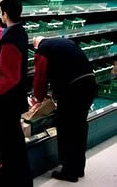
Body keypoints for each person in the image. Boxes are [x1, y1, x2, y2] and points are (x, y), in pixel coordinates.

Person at [0, 0, 33, 187]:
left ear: (5, 14)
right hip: (13, 100)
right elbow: (1, 37)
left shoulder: (11, 40)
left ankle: (13, 181)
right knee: (14, 141)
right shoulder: (18, 32)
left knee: (8, 145)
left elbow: (10, 79)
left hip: (6, 102)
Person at [33, 36, 98, 183]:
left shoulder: (42, 50)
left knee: (66, 129)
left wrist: (39, 98)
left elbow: (40, 77)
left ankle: (69, 171)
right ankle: (78, 168)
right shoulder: (65, 42)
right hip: (89, 84)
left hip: (73, 90)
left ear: (36, 46)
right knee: (80, 128)